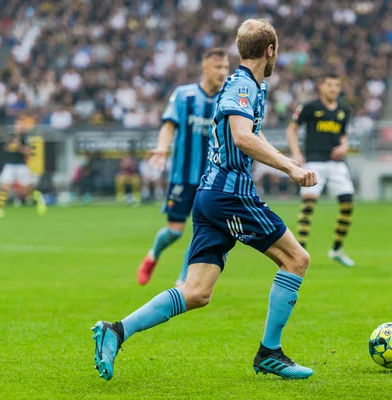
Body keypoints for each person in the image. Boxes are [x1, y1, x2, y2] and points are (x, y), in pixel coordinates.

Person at [91, 18, 317, 381]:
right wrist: (290, 167)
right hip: (230, 195)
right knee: (296, 259)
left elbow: (243, 135)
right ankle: (269, 352)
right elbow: (242, 136)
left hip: (212, 195)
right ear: (270, 51)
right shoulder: (243, 86)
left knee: (196, 292)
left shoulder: (250, 85)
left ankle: (115, 331)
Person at [136, 48, 230, 286]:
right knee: (174, 231)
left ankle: (182, 282)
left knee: (201, 231)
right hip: (182, 176)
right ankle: (152, 256)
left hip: (212, 178)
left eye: (226, 68)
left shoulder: (227, 98)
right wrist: (161, 148)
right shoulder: (183, 95)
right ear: (205, 67)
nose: (223, 72)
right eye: (218, 67)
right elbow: (169, 126)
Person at [286, 73, 355, 267]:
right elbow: (292, 129)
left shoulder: (343, 110)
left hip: (336, 164)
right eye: (330, 85)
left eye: (337, 85)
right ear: (321, 87)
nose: (334, 89)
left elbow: (342, 136)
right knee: (309, 204)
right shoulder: (310, 108)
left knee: (348, 203)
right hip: (314, 161)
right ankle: (299, 250)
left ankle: (337, 249)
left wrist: (345, 147)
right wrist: (296, 153)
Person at [0, 130, 46, 219]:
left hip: (21, 166)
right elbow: (5, 148)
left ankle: (40, 199)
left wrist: (19, 147)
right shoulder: (10, 137)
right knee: (4, 187)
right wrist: (12, 145)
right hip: (9, 165)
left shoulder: (24, 138)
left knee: (26, 189)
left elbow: (30, 151)